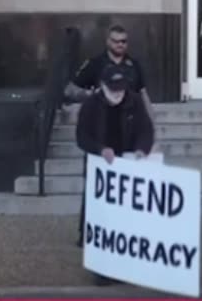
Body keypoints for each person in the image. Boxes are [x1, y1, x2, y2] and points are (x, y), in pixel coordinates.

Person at [74, 67, 156, 283]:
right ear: (102, 87)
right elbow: (82, 136)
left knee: (125, 220)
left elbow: (146, 129)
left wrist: (141, 149)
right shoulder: (91, 106)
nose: (118, 95)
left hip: (126, 164)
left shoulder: (134, 101)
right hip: (101, 166)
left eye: (121, 90)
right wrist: (100, 149)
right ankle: (101, 269)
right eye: (113, 91)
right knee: (102, 218)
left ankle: (125, 266)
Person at [67, 26, 153, 119]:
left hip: (129, 124)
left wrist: (151, 124)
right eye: (116, 41)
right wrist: (88, 94)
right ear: (108, 41)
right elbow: (69, 90)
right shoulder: (95, 64)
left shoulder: (134, 65)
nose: (120, 44)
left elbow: (143, 95)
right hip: (102, 122)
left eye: (123, 41)